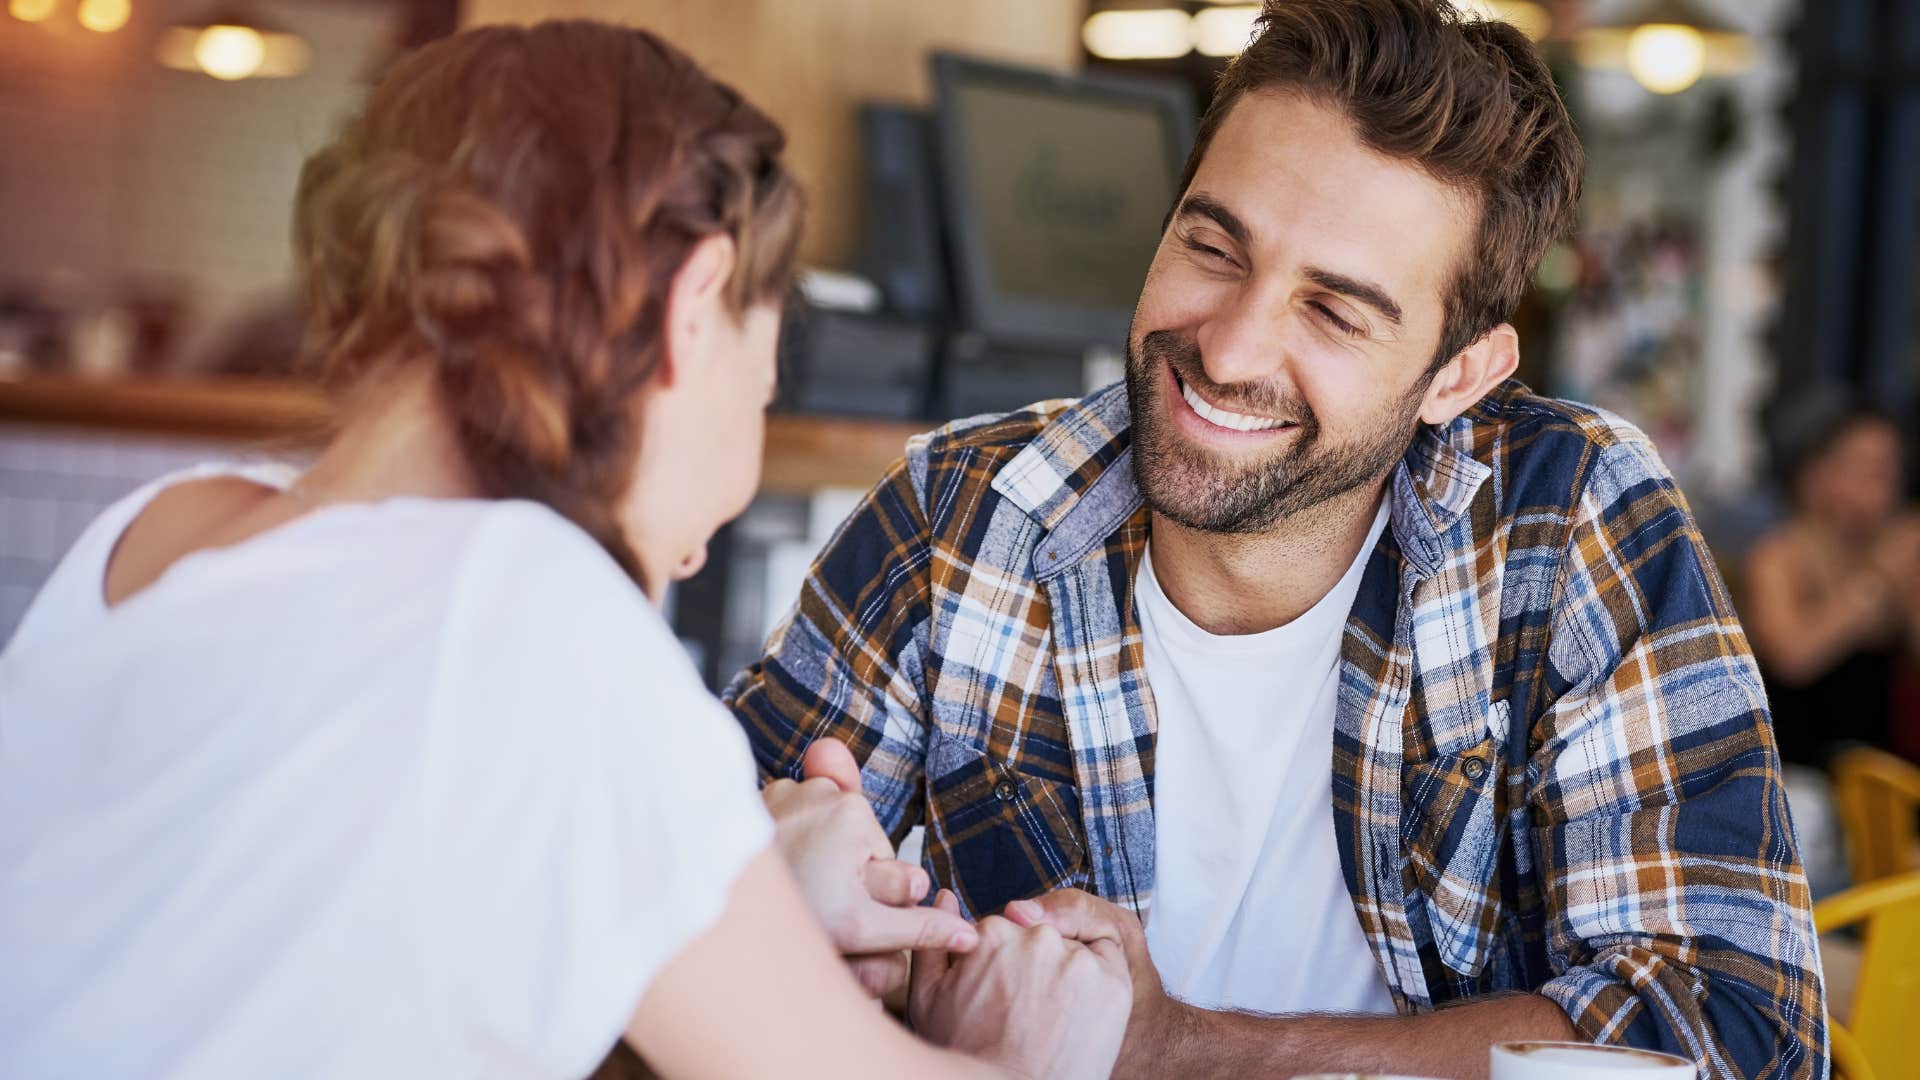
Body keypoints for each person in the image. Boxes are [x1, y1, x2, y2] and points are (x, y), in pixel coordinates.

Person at [0, 22, 1131, 1079]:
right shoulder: (530, 610)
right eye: (762, 390)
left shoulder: (158, 533)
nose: (694, 553)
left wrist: (742, 893)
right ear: (695, 305)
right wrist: (1028, 1041)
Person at [727, 1, 1825, 1076]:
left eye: (1335, 312)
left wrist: (1170, 1048)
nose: (1233, 346)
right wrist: (801, 923)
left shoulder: (1570, 517)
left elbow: (1735, 1030)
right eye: (1214, 245)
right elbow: (657, 934)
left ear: (1459, 374)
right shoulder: (959, 515)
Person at [1746, 396, 1920, 767]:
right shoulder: (1779, 556)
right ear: (1815, 475)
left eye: (1891, 468)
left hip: (1878, 773)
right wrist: (1877, 579)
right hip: (1793, 772)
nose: (1882, 481)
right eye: (1864, 466)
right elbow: (1792, 657)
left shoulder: (1898, 547)